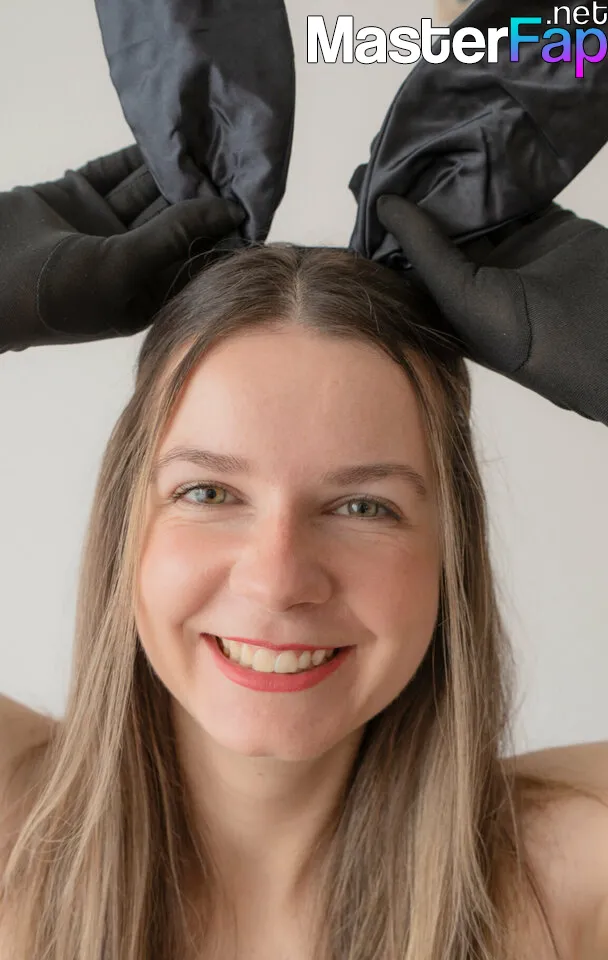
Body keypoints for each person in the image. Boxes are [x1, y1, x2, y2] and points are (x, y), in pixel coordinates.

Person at [0, 242, 606, 960]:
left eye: (363, 506)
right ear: (124, 524)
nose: (278, 581)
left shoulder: (571, 874)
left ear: (451, 548)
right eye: (208, 492)